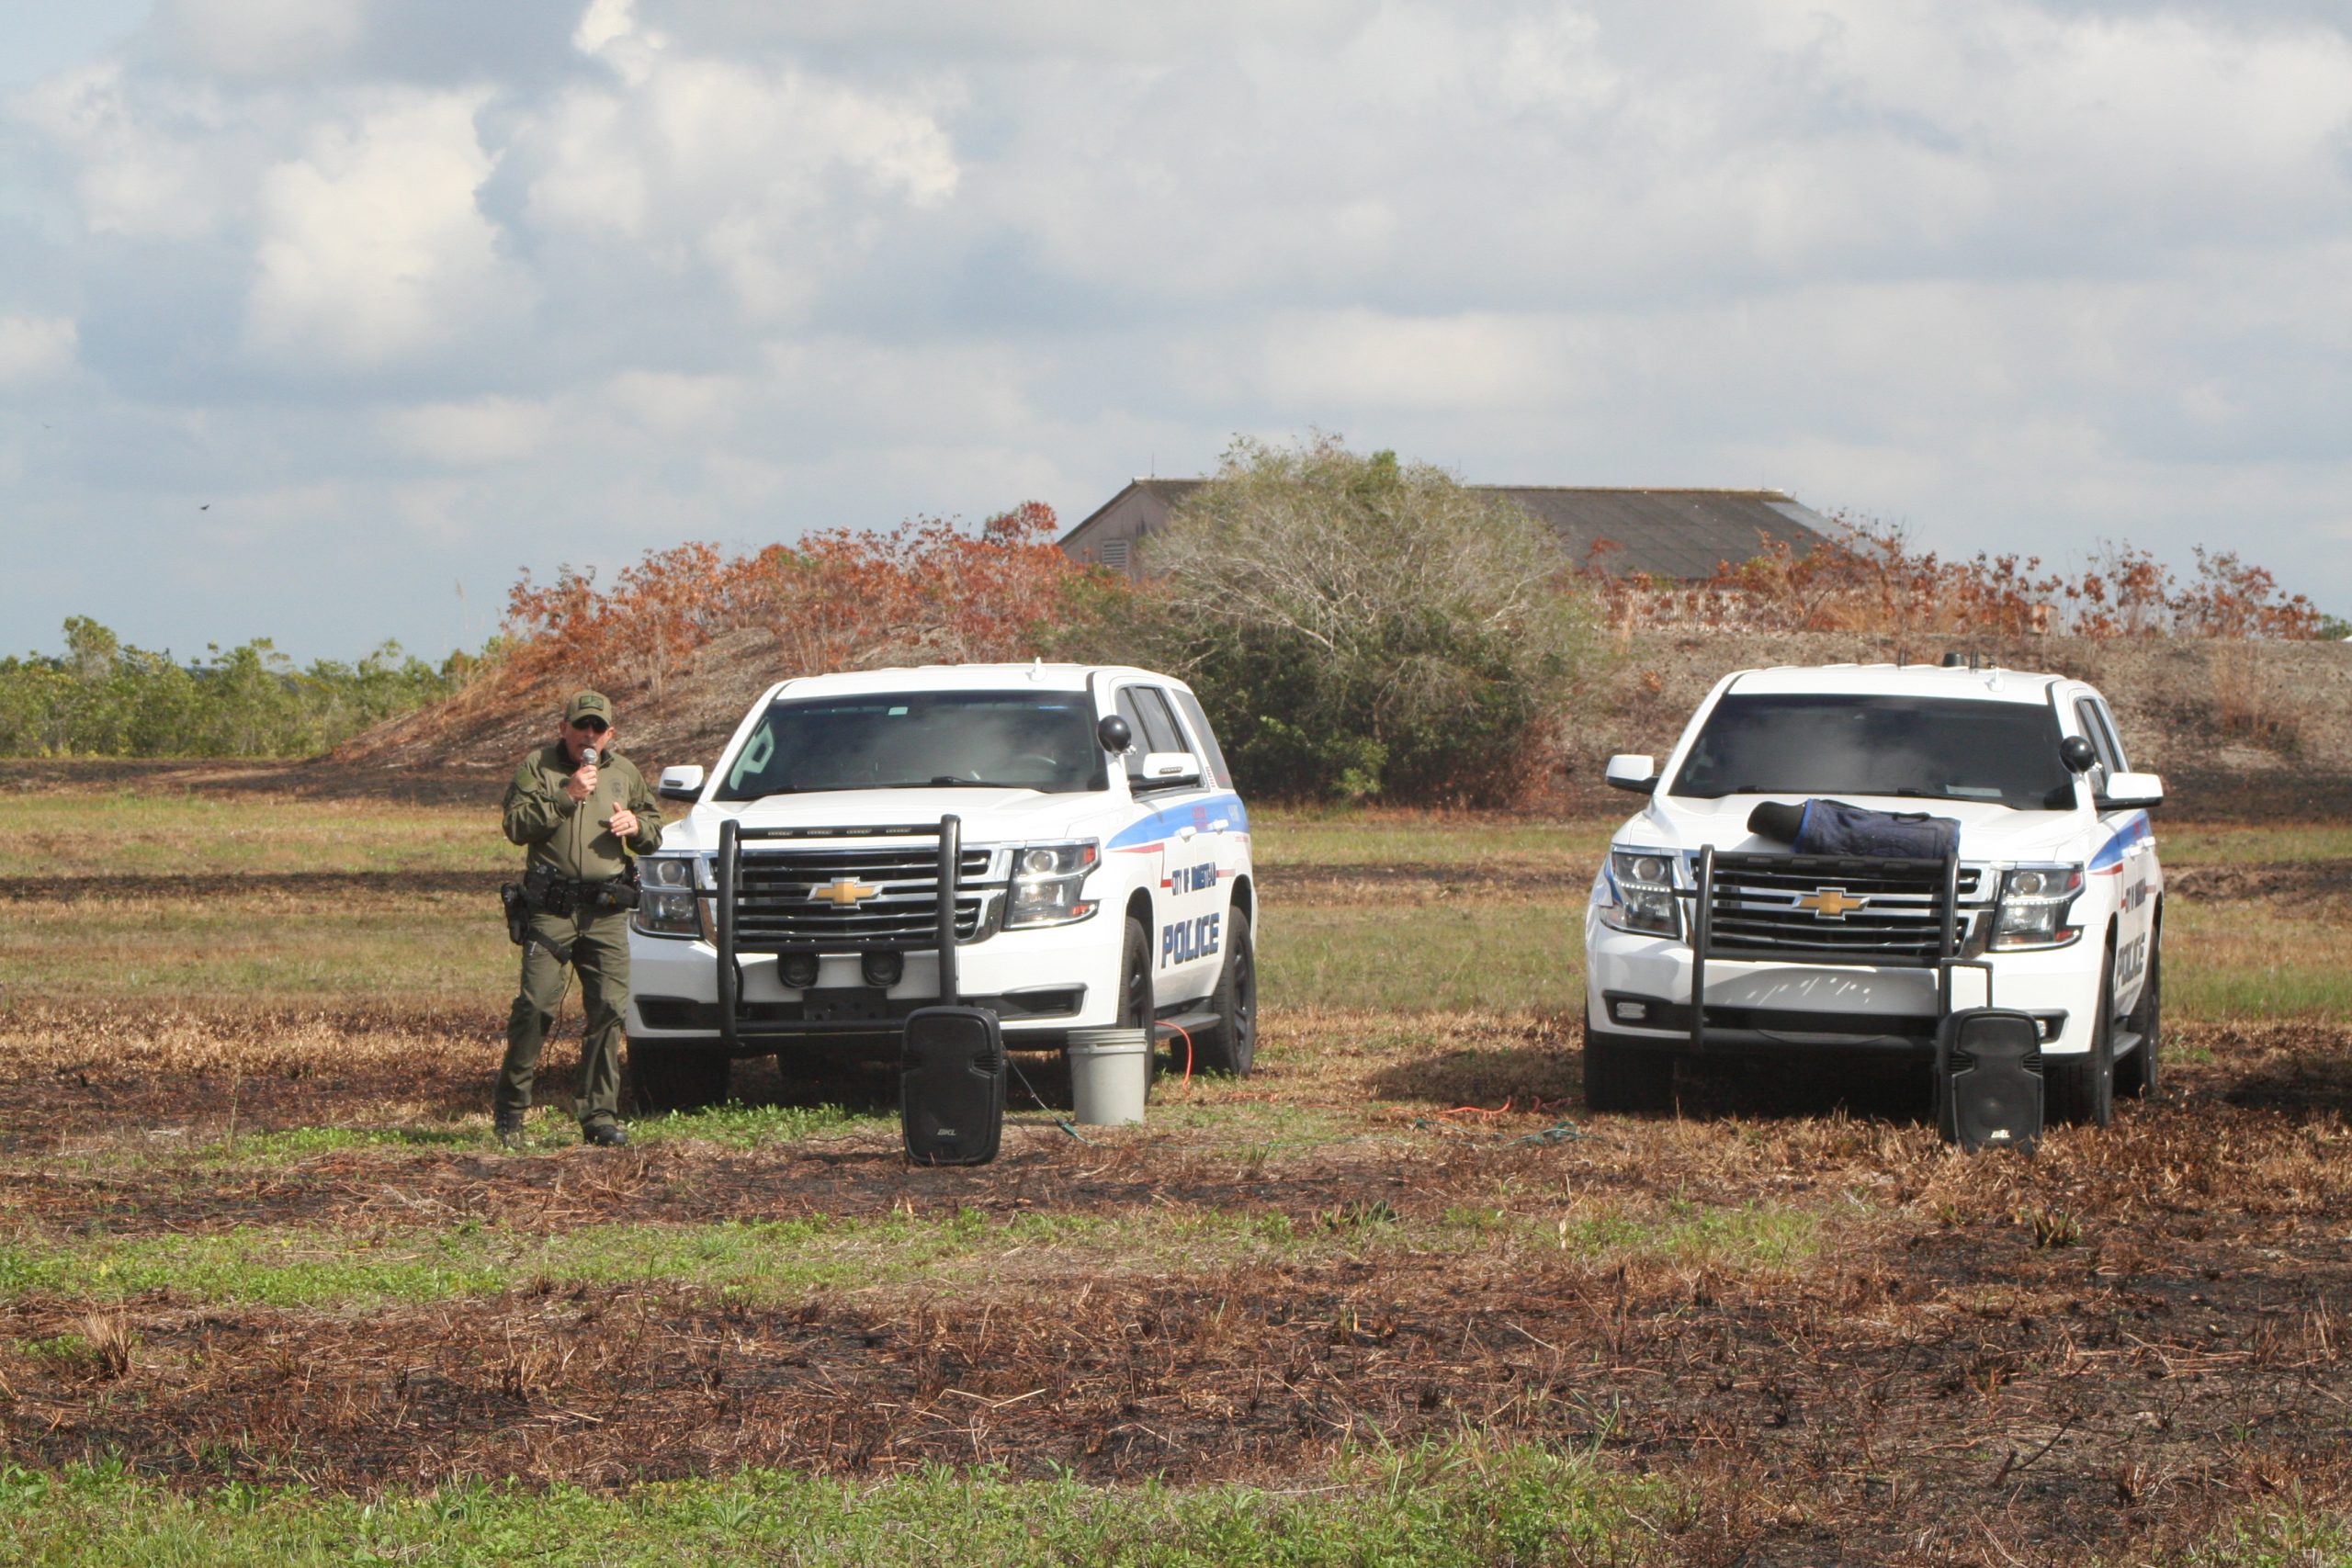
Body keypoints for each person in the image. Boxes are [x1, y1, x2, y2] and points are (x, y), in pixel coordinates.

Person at [495, 690, 663, 1147]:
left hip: (605, 912)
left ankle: (599, 1116)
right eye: (581, 726)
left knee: (609, 1009)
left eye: (598, 728)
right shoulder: (538, 767)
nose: (589, 735)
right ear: (563, 729)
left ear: (610, 734)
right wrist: (567, 796)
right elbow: (516, 826)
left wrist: (637, 827)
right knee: (535, 1006)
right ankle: (511, 1112)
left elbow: (654, 830)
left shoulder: (624, 773)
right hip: (552, 910)